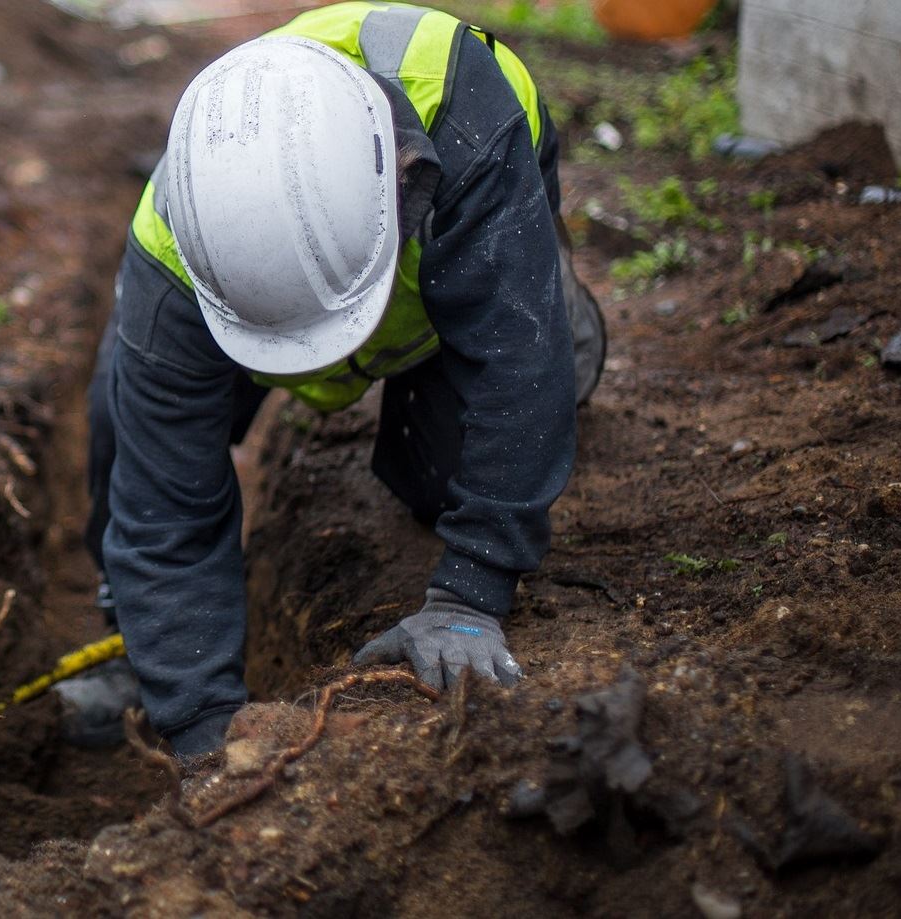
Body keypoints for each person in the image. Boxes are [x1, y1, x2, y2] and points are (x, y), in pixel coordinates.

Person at [55, 1, 607, 756]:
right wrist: (201, 733)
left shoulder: (467, 119)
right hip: (260, 280)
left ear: (405, 186)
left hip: (462, 242)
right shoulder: (177, 242)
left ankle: (552, 296)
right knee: (124, 426)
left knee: (477, 435)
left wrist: (469, 592)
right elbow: (162, 510)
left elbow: (517, 370)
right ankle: (137, 646)